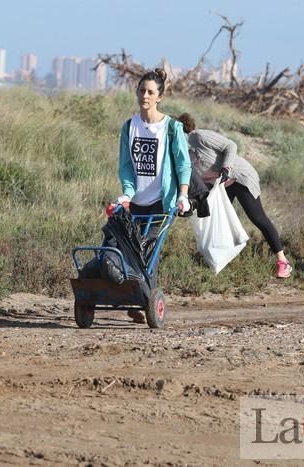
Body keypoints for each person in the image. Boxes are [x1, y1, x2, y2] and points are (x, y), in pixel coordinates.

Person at [114, 68, 191, 322]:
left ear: (159, 97)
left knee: (149, 251)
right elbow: (126, 166)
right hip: (136, 203)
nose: (144, 95)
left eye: (150, 92)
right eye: (141, 90)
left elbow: (183, 164)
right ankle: (138, 300)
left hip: (162, 202)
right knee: (128, 250)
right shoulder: (130, 127)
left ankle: (145, 303)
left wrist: (183, 195)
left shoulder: (171, 128)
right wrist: (127, 193)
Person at [176, 113, 293, 278]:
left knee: (257, 218)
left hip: (240, 176)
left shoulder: (197, 137)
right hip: (222, 184)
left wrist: (226, 168)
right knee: (216, 220)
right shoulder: (180, 155)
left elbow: (230, 145)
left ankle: (283, 262)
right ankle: (217, 260)